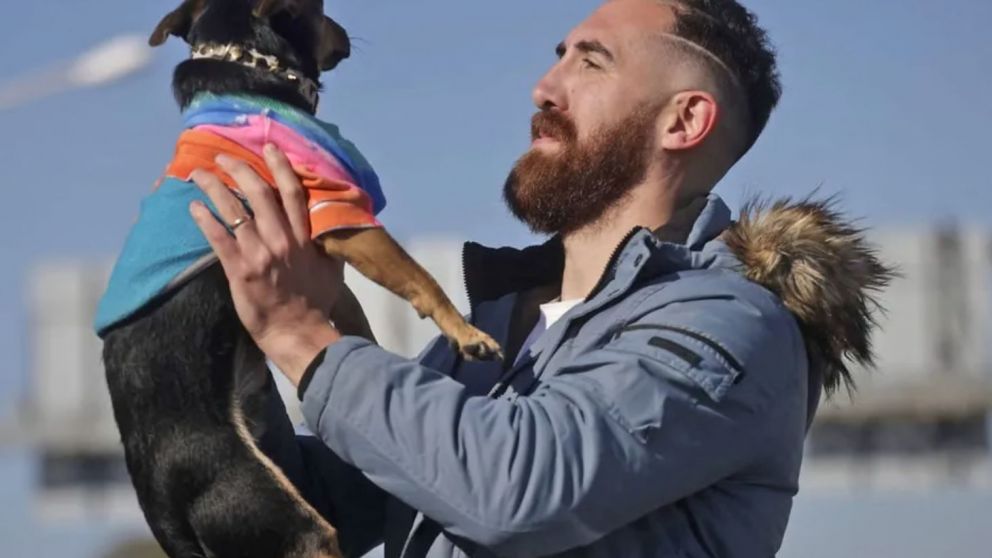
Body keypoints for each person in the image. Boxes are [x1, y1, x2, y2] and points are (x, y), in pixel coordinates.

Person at [187, 0, 891, 556]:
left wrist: (301, 337)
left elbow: (517, 488)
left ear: (683, 120)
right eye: (558, 58)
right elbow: (334, 498)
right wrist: (197, 379)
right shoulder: (499, 325)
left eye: (591, 62)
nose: (544, 88)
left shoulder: (731, 322)